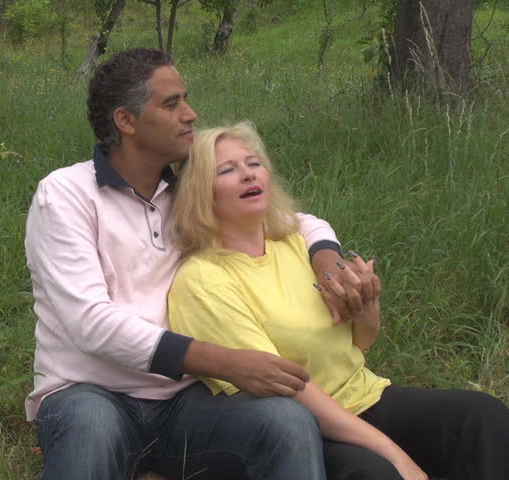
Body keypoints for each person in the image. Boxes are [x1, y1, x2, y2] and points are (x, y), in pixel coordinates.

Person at [24, 47, 372, 479]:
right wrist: (226, 362)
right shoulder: (66, 194)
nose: (190, 114)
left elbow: (298, 221)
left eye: (185, 100)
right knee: (92, 429)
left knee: (287, 420)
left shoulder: (185, 194)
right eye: (172, 104)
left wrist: (326, 259)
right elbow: (90, 323)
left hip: (186, 400)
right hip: (90, 392)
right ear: (126, 121)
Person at [167, 122, 509, 480]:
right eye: (227, 170)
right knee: (377, 472)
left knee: (482, 416)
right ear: (200, 193)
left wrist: (366, 304)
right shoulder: (203, 280)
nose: (248, 174)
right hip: (301, 428)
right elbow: (284, 390)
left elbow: (360, 343)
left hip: (365, 396)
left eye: (253, 163)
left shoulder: (295, 243)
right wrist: (397, 455)